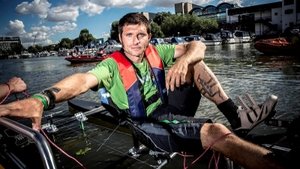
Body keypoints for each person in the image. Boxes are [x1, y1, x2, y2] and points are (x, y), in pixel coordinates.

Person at [0, 13, 283, 169]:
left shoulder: (156, 50)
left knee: (195, 63)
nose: (135, 42)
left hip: (168, 107)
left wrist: (183, 60)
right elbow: (82, 80)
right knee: (214, 133)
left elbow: (198, 45)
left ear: (149, 36)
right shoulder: (110, 65)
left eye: (141, 35)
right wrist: (43, 98)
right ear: (120, 38)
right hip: (146, 123)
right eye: (128, 35)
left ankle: (237, 118)